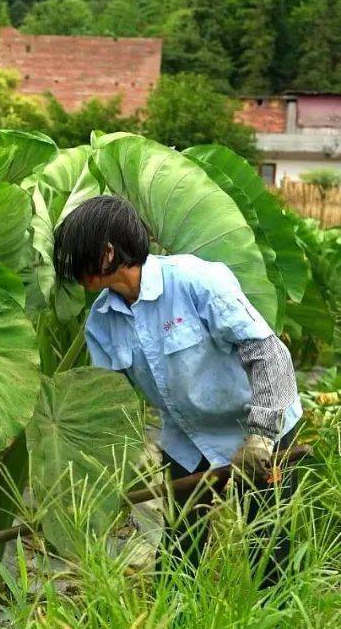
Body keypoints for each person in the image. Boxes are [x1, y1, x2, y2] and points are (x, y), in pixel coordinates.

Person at [52, 195, 302, 585]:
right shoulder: (101, 323)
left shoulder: (196, 281)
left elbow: (269, 355)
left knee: (267, 543)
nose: (72, 270)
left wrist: (261, 436)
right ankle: (178, 627)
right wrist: (108, 475)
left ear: (107, 252)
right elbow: (111, 406)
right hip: (186, 437)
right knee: (180, 546)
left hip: (255, 423)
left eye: (77, 256)